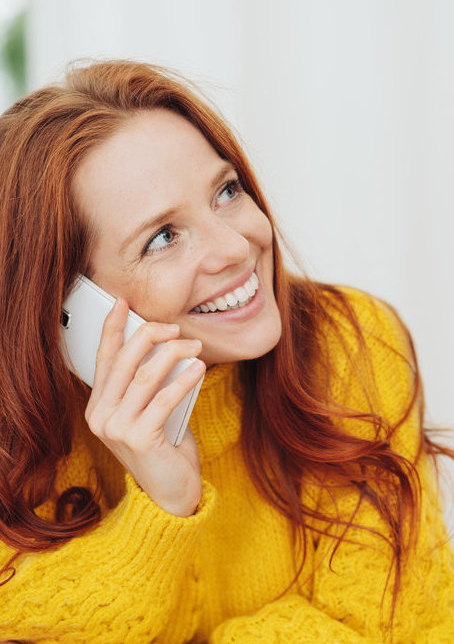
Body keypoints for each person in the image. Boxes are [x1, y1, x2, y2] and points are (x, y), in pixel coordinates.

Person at [0, 59, 453, 644]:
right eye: (163, 237)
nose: (237, 246)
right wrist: (163, 507)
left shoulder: (353, 344)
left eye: (226, 192)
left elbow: (394, 626)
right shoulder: (24, 429)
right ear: (67, 302)